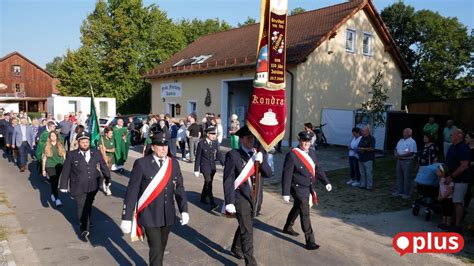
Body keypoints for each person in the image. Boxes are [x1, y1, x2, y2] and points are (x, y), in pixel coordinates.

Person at [120, 132, 189, 266]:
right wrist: (126, 217)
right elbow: (132, 191)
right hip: (149, 214)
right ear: (153, 147)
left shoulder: (173, 163)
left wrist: (184, 210)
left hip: (167, 214)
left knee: (162, 246)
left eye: (166, 145)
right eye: (160, 145)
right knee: (156, 247)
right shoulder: (141, 164)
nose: (164, 149)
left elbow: (179, 188)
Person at [223, 126, 272, 264]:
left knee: (246, 225)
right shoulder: (233, 155)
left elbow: (268, 174)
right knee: (248, 231)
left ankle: (236, 247)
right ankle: (250, 261)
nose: (252, 140)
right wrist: (229, 201)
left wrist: (261, 161)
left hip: (255, 199)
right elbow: (228, 180)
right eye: (249, 137)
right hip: (240, 197)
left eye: (253, 137)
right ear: (242, 139)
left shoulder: (258, 153)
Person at [281, 131, 332, 250]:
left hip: (308, 186)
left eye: (308, 142)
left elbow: (317, 169)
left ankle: (288, 227)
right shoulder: (292, 155)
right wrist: (286, 193)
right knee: (305, 212)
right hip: (297, 187)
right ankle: (310, 241)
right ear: (300, 141)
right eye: (304, 141)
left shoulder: (312, 153)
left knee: (298, 207)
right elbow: (287, 174)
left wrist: (326, 182)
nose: (306, 144)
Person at [59, 131, 111, 242]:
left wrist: (107, 178)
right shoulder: (72, 154)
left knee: (88, 203)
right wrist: (63, 185)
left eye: (86, 141)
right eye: (82, 142)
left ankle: (87, 219)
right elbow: (66, 171)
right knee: (81, 206)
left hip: (93, 185)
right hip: (78, 186)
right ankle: (84, 228)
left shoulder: (96, 152)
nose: (85, 144)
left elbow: (103, 166)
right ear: (78, 142)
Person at [445, 129, 471, 233]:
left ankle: (457, 226)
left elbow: (464, 166)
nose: (450, 137)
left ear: (459, 136)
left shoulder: (463, 148)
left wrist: (452, 176)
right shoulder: (452, 146)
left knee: (457, 202)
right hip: (450, 179)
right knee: (451, 201)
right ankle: (450, 222)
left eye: (452, 135)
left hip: (461, 180)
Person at [194, 126, 225, 210]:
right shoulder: (201, 143)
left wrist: (224, 164)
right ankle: (212, 203)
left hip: (212, 166)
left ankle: (203, 198)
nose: (214, 135)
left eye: (214, 134)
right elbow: (198, 157)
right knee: (209, 182)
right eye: (212, 134)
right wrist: (196, 169)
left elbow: (219, 154)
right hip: (204, 166)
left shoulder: (215, 142)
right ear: (207, 134)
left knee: (208, 183)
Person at [42, 131, 66, 207]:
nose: (53, 137)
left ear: (57, 137)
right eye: (51, 136)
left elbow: (64, 156)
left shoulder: (60, 144)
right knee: (53, 179)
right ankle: (57, 199)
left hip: (59, 165)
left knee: (55, 181)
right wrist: (43, 170)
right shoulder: (46, 145)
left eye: (54, 136)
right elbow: (44, 158)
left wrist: (66, 165)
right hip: (50, 165)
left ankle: (53, 193)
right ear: (49, 137)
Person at [393, 128, 417, 199]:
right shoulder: (401, 140)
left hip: (407, 161)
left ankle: (407, 193)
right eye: (403, 132)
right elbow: (396, 148)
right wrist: (395, 154)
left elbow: (411, 152)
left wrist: (402, 155)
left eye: (406, 132)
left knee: (407, 177)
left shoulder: (412, 142)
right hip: (399, 160)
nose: (404, 133)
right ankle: (399, 191)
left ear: (410, 133)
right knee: (399, 176)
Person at [358, 126, 376, 190]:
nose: (362, 131)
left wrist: (363, 149)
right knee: (362, 173)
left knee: (368, 173)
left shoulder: (371, 138)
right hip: (361, 158)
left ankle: (369, 186)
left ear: (367, 131)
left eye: (363, 130)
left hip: (368, 158)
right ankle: (362, 185)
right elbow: (359, 146)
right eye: (362, 130)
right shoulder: (362, 138)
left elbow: (372, 148)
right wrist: (359, 149)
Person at [437, 165, 454, 230]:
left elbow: (450, 191)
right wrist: (439, 195)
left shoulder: (449, 181)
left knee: (448, 212)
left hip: (448, 199)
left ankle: (448, 224)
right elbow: (440, 188)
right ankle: (444, 223)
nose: (436, 172)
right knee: (444, 211)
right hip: (443, 198)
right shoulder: (441, 179)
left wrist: (443, 197)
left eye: (438, 171)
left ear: (443, 172)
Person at [464, 132, 474, 217]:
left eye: (467, 137)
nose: (465, 139)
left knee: (468, 189)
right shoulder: (465, 147)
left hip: (471, 171)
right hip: (464, 170)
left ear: (472, 139)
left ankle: (465, 207)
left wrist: (469, 163)